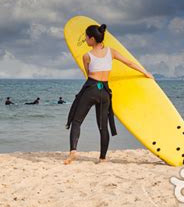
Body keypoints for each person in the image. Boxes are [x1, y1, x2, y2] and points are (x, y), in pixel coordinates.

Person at [64, 24, 153, 165]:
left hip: (91, 89)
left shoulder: (87, 56)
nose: (85, 40)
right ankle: (103, 158)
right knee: (103, 126)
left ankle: (73, 151)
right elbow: (129, 62)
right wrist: (145, 73)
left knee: (77, 121)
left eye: (86, 37)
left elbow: (88, 75)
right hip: (105, 92)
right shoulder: (112, 52)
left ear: (92, 39)